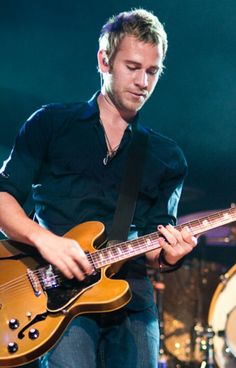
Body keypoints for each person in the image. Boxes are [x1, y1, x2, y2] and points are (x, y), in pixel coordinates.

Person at [0, 8, 197, 368]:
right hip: (53, 288)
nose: (143, 82)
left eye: (152, 71)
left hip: (131, 294)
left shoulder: (168, 156)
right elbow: (3, 197)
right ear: (104, 60)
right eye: (133, 67)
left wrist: (171, 253)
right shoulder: (51, 123)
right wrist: (44, 239)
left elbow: (157, 243)